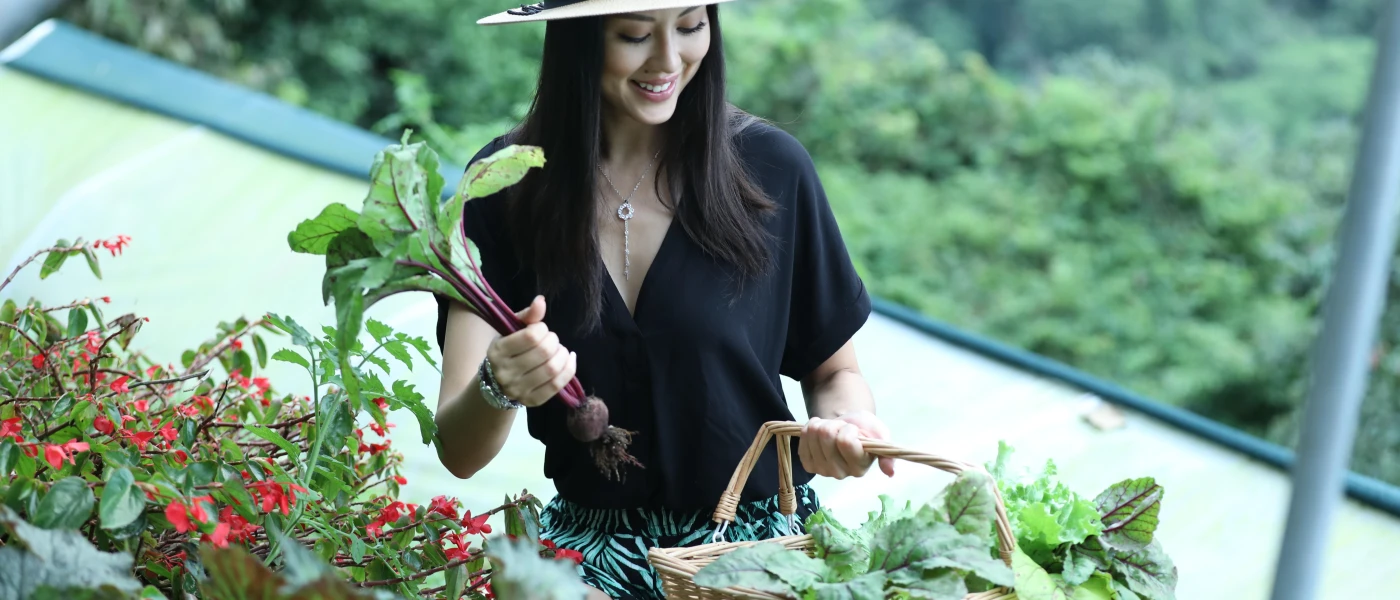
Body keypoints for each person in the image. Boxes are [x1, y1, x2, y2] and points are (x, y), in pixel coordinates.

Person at [432, 1, 896, 597]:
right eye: (634, 34)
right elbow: (458, 451)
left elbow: (835, 370)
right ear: (577, 39)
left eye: (690, 26)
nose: (669, 60)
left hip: (758, 561)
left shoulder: (773, 170)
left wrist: (843, 427)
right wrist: (499, 385)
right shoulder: (503, 185)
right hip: (582, 570)